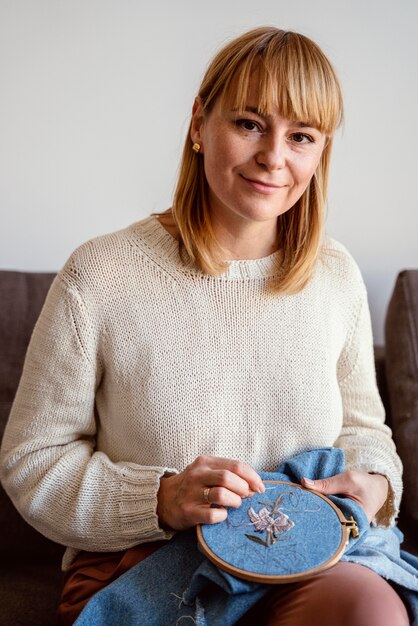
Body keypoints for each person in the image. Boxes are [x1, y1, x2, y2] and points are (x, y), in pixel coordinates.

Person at [0, 26, 412, 625]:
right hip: (147, 564)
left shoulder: (334, 277)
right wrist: (161, 498)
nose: (274, 156)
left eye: (301, 136)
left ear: (321, 151)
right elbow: (32, 459)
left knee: (368, 611)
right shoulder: (99, 275)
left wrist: (374, 482)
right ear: (199, 123)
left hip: (306, 561)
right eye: (249, 124)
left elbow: (362, 427)